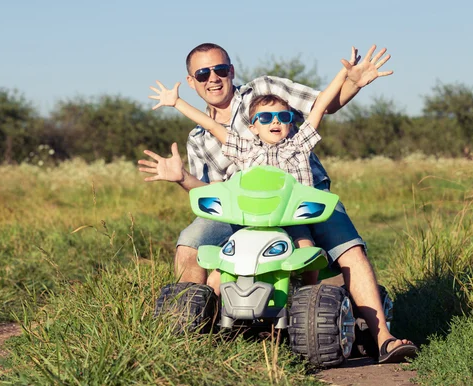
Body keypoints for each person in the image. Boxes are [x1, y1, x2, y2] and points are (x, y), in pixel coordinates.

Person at [138, 43, 416, 363]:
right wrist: (181, 176)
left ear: (232, 70)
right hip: (243, 209)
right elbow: (210, 191)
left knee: (342, 249)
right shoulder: (208, 140)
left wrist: (349, 79)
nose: (213, 78)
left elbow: (323, 106)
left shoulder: (270, 99)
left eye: (221, 69)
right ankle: (191, 337)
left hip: (304, 202)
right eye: (203, 73)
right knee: (195, 247)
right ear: (191, 81)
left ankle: (381, 337)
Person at [147, 52, 353, 286]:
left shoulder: (299, 146)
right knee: (218, 278)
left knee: (307, 250)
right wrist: (177, 103)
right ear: (252, 127)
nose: (275, 122)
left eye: (282, 117)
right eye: (265, 118)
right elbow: (212, 125)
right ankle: (210, 316)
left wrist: (345, 74)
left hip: (292, 219)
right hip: (252, 221)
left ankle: (307, 299)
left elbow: (321, 105)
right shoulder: (247, 151)